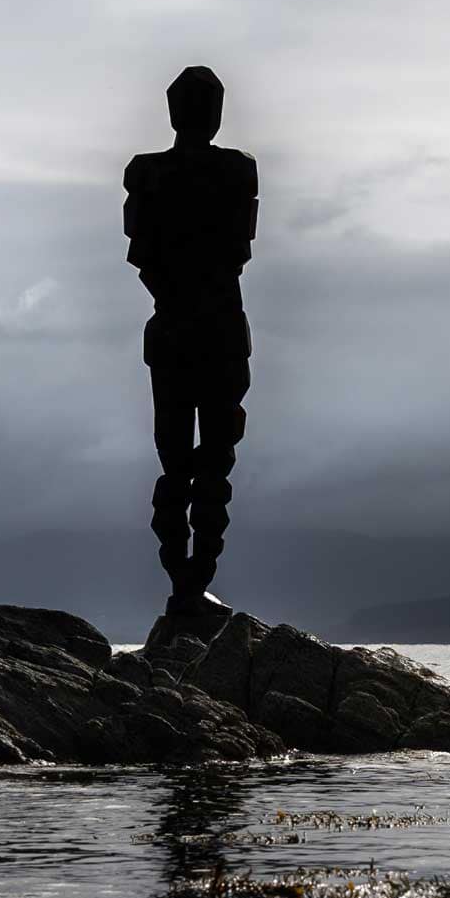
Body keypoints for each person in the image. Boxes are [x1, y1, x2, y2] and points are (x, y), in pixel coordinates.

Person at [123, 66, 258, 639]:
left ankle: (192, 580)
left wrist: (180, 296)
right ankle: (186, 582)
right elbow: (148, 254)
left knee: (206, 460)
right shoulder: (154, 173)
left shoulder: (233, 170)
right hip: (198, 328)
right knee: (185, 462)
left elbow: (234, 248)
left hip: (199, 329)